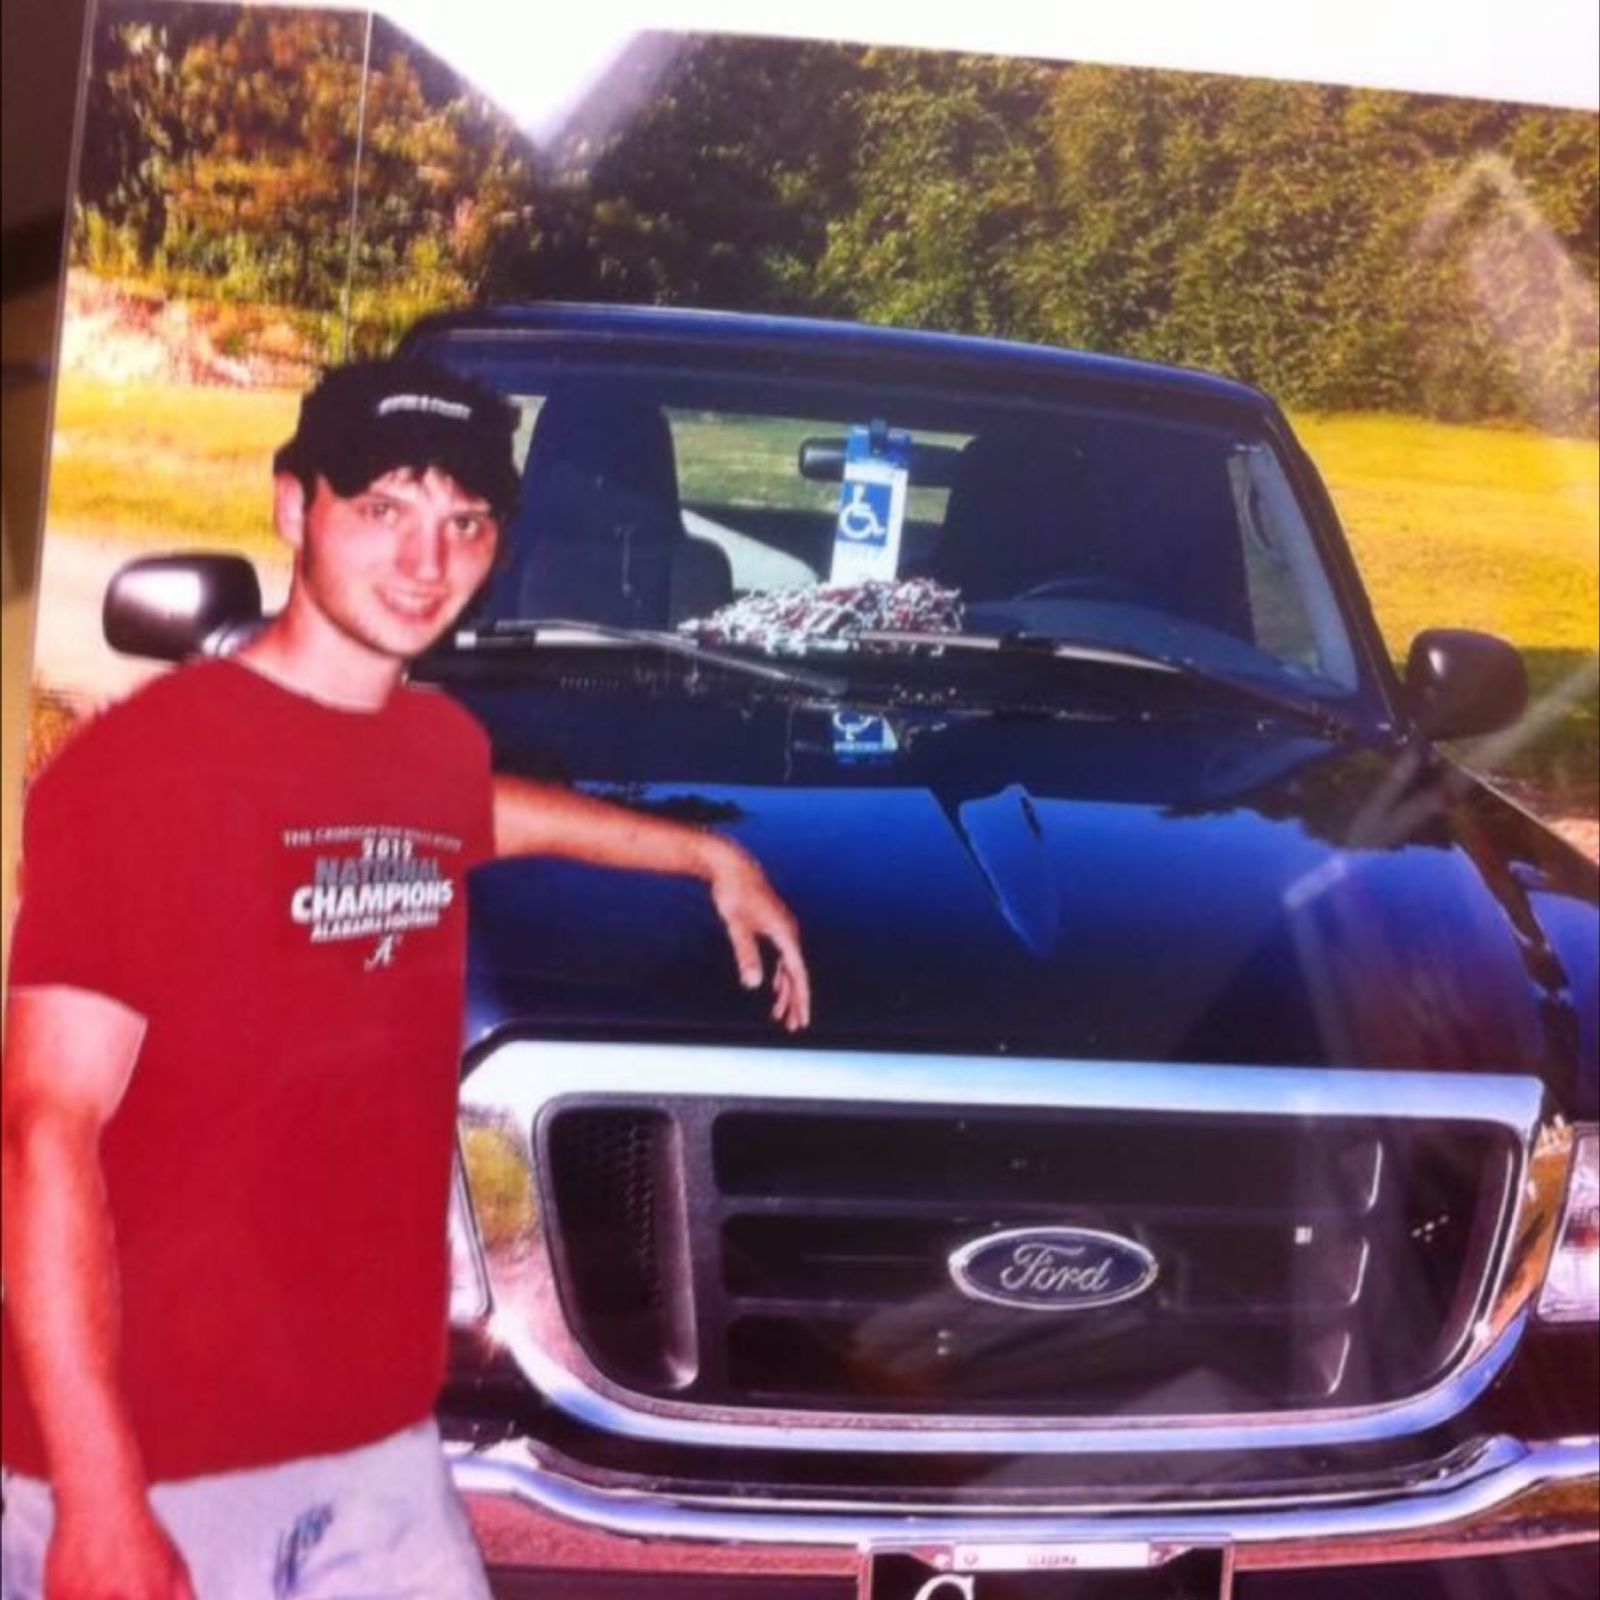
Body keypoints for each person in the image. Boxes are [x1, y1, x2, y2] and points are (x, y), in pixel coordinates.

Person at [0, 358, 810, 1600]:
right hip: (171, 1449)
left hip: (370, 1446)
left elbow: (489, 810)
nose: (426, 562)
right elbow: (44, 1135)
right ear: (293, 505)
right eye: (383, 507)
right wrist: (99, 1495)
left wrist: (708, 855)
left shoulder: (416, 744)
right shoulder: (145, 779)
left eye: (464, 522)